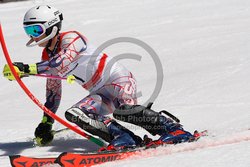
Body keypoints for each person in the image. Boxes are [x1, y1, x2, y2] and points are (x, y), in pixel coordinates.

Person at [3, 5, 195, 151]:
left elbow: (60, 63)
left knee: (124, 111)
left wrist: (24, 69)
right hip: (100, 91)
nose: (34, 37)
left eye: (36, 31)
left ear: (52, 27)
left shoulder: (72, 39)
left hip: (118, 79)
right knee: (76, 113)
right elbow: (53, 94)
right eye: (29, 32)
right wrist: (46, 123)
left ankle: (174, 130)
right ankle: (126, 139)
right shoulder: (46, 57)